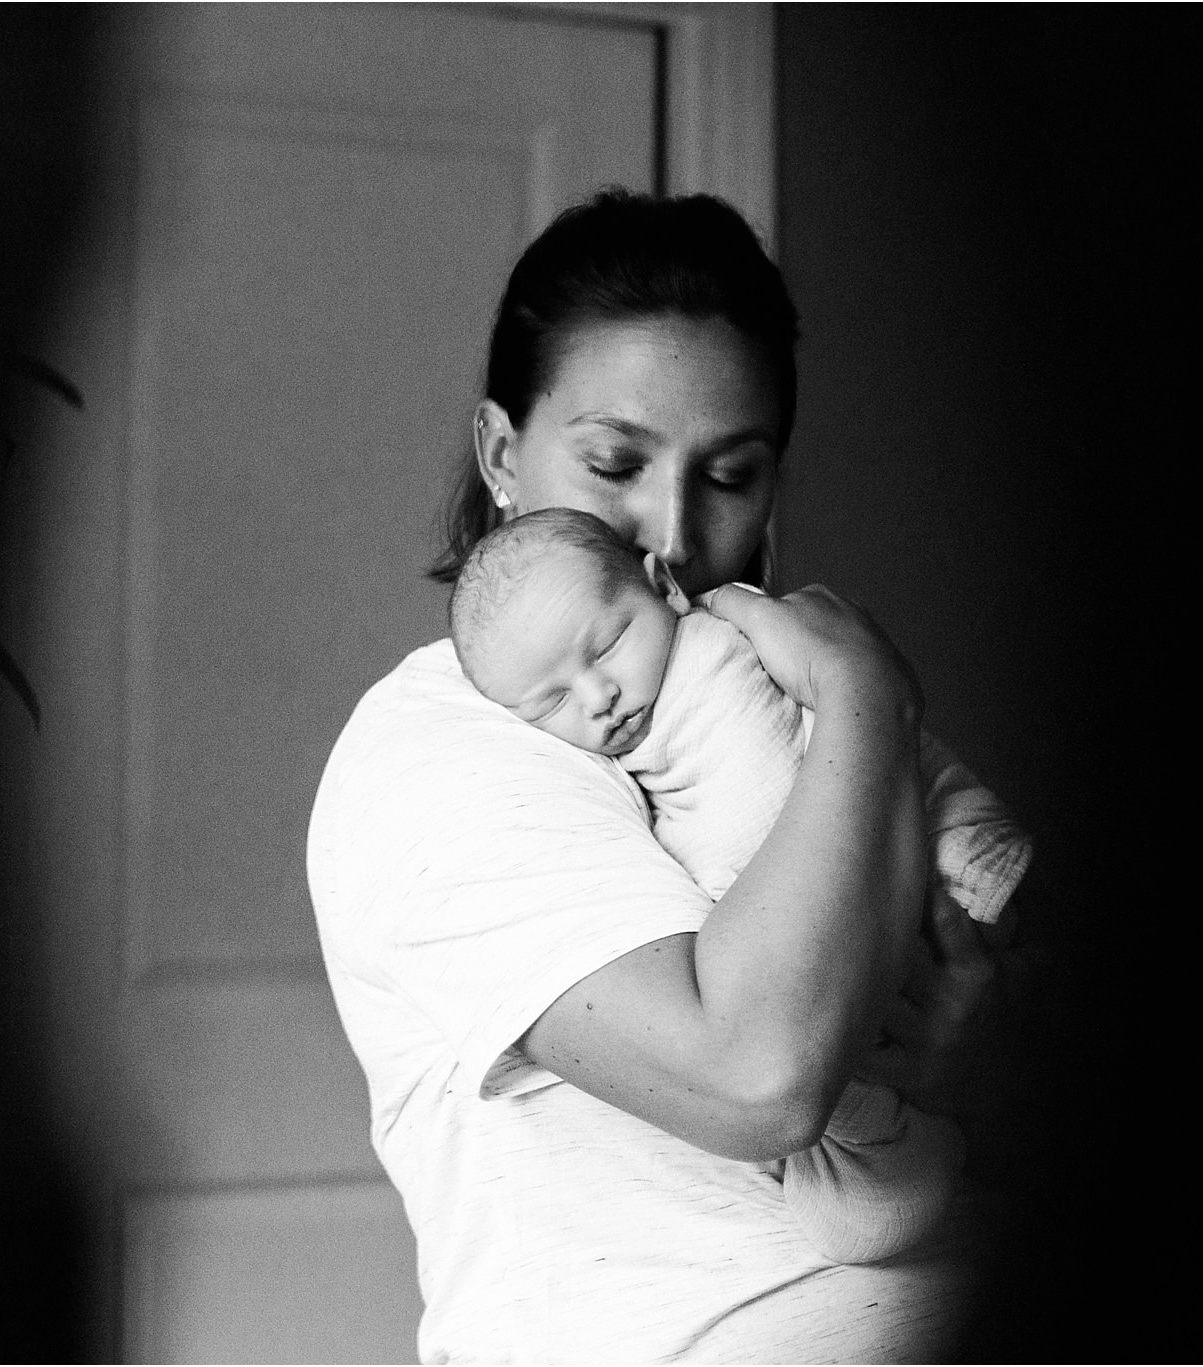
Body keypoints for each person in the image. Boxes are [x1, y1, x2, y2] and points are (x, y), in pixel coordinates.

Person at [308, 189, 1008, 1363]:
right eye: (614, 463)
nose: (670, 536)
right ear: (499, 454)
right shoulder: (430, 754)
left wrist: (979, 1046)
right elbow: (757, 1079)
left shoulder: (763, 700)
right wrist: (866, 699)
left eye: (729, 474)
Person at [445, 505, 1032, 1267]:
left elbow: (819, 749)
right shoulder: (581, 774)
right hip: (805, 966)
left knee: (981, 873)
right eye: (550, 702)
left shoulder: (725, 630)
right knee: (861, 1216)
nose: (597, 697)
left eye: (611, 642)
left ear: (662, 585)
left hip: (895, 850)